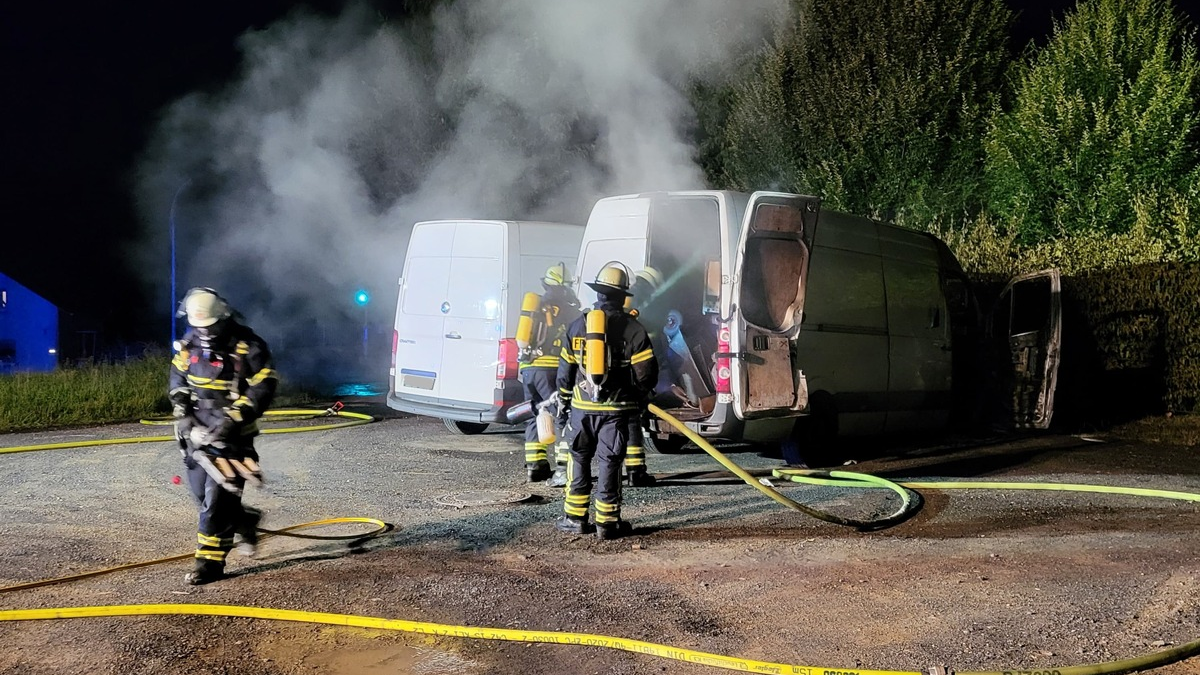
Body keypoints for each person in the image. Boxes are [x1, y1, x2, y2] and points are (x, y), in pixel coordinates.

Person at [169, 287, 277, 585]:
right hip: (197, 432)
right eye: (198, 326)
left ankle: (209, 563)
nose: (204, 332)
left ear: (223, 318)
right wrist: (183, 411)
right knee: (200, 495)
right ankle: (245, 520)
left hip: (234, 435)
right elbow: (178, 378)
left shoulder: (249, 346)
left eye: (209, 326)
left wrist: (232, 420)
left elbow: (263, 388)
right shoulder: (190, 344)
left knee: (216, 502)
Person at [554, 264, 658, 539]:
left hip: (582, 409)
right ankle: (607, 523)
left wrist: (564, 402)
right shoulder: (634, 329)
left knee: (579, 459)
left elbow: (565, 372)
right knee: (610, 461)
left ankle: (575, 518)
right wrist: (638, 398)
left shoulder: (578, 325)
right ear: (623, 296)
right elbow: (646, 374)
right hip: (616, 410)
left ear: (598, 294)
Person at [518, 263, 581, 483]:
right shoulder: (571, 310)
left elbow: (523, 340)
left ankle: (535, 466)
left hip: (529, 369)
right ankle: (563, 467)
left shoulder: (535, 306)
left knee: (535, 413)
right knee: (561, 414)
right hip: (553, 368)